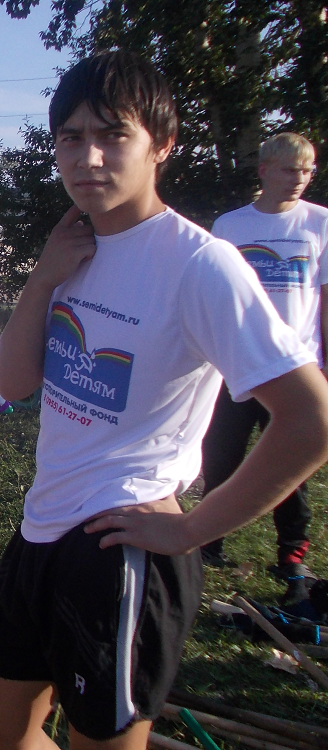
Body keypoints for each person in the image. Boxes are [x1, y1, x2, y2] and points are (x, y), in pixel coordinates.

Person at [0, 51, 328, 750]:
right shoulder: (73, 243)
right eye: (71, 137)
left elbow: (311, 419)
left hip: (121, 545)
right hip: (42, 524)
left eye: (113, 135)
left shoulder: (199, 264)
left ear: (162, 143)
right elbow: (13, 384)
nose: (88, 157)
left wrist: (192, 530)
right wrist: (42, 279)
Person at [198, 133, 328, 604]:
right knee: (221, 457)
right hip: (234, 366)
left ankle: (292, 553)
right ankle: (207, 540)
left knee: (290, 468)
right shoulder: (231, 225)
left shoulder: (320, 223)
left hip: (294, 369)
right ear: (264, 171)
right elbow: (213, 297)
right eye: (290, 169)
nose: (300, 178)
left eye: (307, 170)